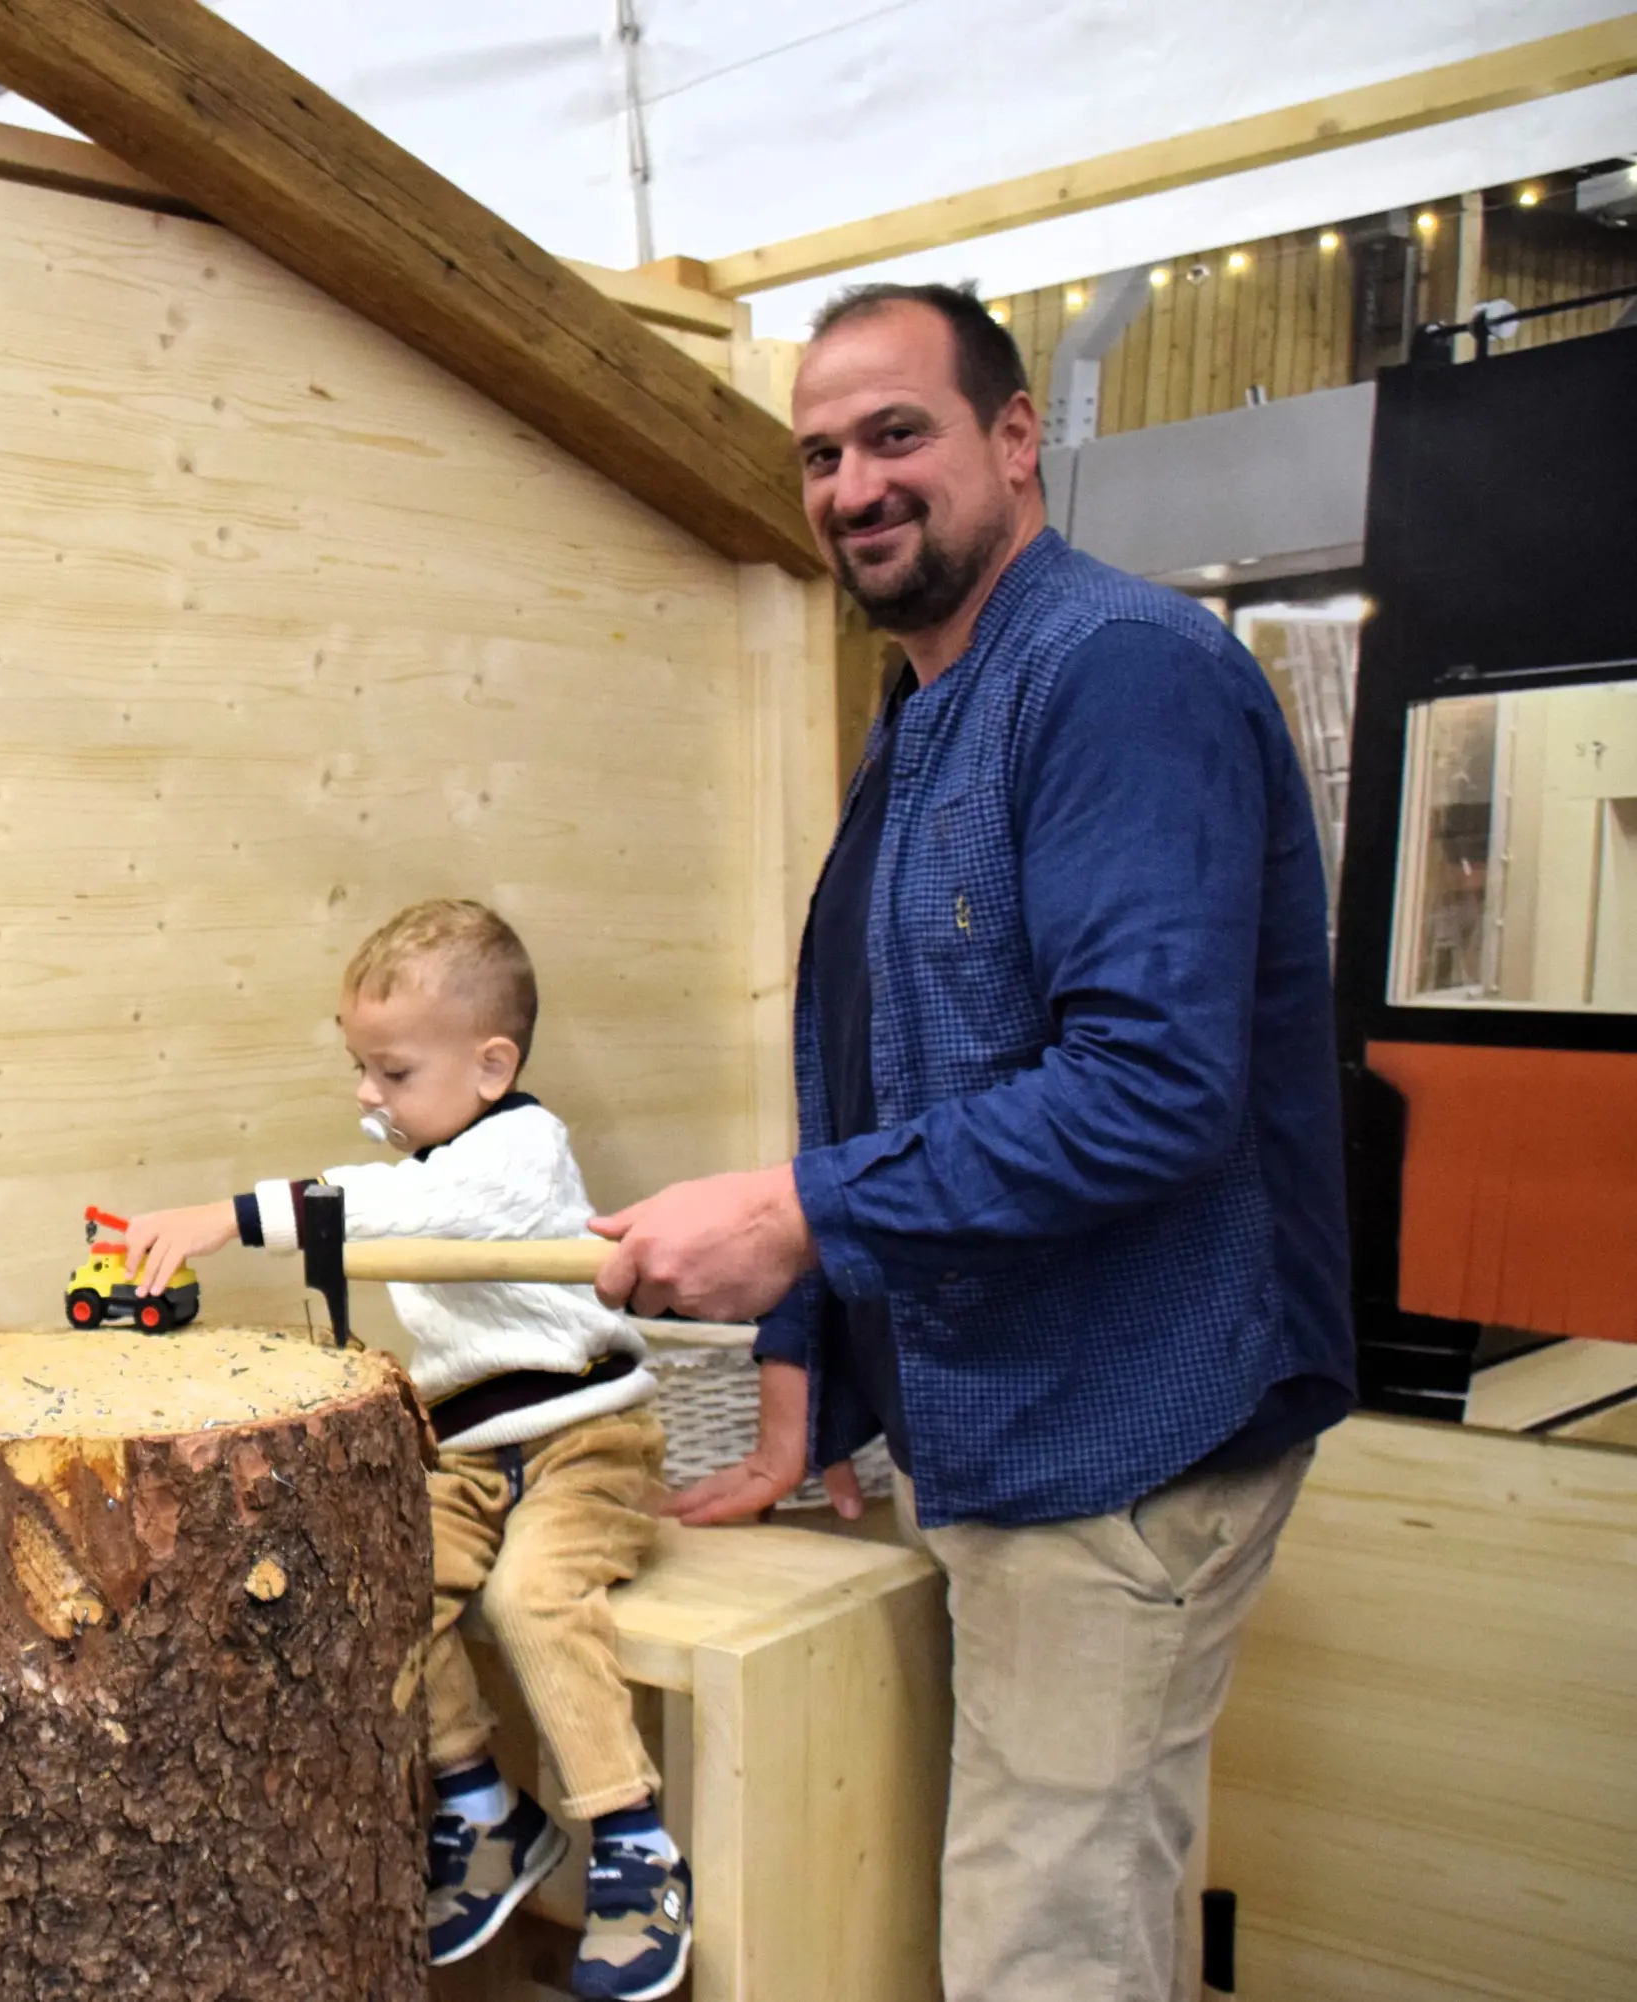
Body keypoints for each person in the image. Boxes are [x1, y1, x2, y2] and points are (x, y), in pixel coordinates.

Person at [590, 285, 1354, 2002]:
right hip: (1000, 1414)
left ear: (1017, 437)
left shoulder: (1120, 672)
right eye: (820, 455)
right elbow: (888, 1071)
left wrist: (797, 1216)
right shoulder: (925, 702)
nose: (853, 485)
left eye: (896, 434)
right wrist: (815, 1358)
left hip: (1125, 1425)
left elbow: (1151, 1087)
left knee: (1042, 1945)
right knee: (1086, 1901)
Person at [125, 900, 691, 2002]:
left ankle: (632, 1842)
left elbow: (405, 1204)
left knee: (532, 1599)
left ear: (492, 1066)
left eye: (391, 1072)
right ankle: (480, 1804)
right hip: (474, 1456)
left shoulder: (519, 1149)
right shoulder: (435, 1152)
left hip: (586, 1441)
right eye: (360, 1068)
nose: (367, 1095)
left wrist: (235, 1214)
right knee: (384, 1586)